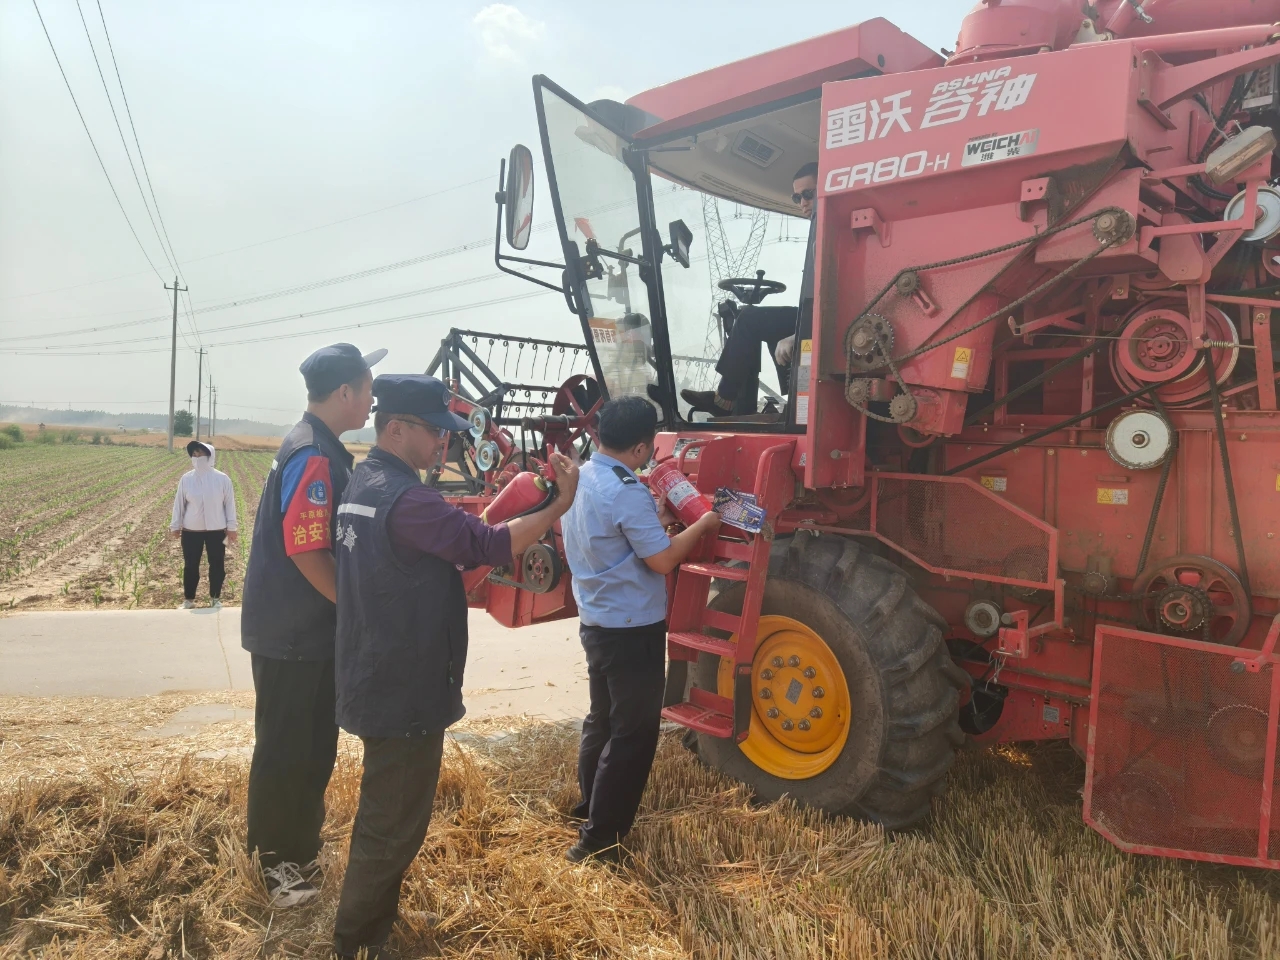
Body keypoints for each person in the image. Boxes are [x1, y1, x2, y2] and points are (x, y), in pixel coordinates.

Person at [329, 373, 579, 960]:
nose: (442, 442)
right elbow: (489, 545)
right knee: (392, 820)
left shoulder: (364, 481)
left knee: (391, 812)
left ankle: (377, 919)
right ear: (396, 428)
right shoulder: (408, 500)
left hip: (376, 666)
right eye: (432, 431)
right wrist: (558, 504)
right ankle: (357, 941)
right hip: (404, 681)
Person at [239, 342, 386, 908]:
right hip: (293, 634)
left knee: (311, 749)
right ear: (345, 392)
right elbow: (306, 550)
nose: (372, 400)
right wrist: (357, 608)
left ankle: (297, 852)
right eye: (367, 389)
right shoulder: (313, 455)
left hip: (306, 632)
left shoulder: (320, 446)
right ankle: (273, 867)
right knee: (287, 751)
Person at [559, 395, 721, 864]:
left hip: (597, 621)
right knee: (633, 735)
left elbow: (620, 537)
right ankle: (598, 842)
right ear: (640, 448)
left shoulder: (583, 476)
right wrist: (703, 523)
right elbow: (663, 560)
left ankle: (590, 808)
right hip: (632, 628)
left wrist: (658, 522)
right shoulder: (627, 489)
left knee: (603, 720)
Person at [681, 161, 818, 417]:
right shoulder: (819, 231)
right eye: (797, 197)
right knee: (752, 320)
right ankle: (742, 400)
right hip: (818, 315)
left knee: (750, 319)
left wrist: (798, 336)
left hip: (830, 323)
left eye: (808, 194)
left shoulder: (832, 233)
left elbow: (832, 300)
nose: (802, 203)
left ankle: (724, 400)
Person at [169, 440, 238, 609]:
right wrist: (175, 526)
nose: (197, 457)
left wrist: (232, 528)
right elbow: (179, 504)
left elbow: (229, 505)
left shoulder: (222, 479)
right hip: (191, 530)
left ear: (210, 456)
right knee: (190, 565)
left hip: (217, 530)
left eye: (200, 453)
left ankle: (215, 598)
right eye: (194, 454)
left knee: (217, 564)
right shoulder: (186, 479)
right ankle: (189, 600)